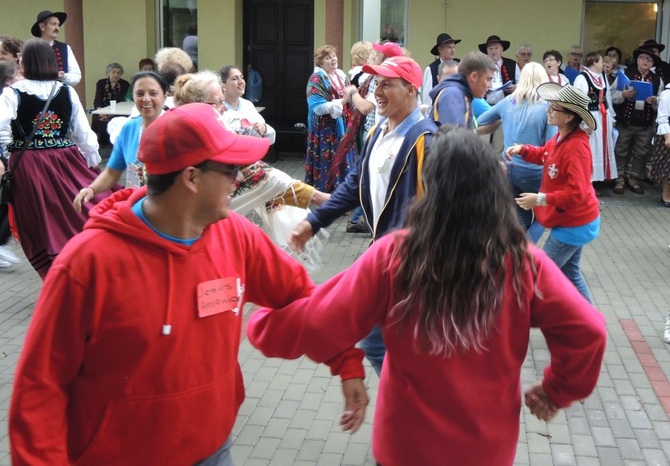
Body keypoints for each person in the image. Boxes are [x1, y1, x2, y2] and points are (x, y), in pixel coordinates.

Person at [10, 102, 367, 465]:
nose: (240, 178)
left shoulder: (237, 236)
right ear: (191, 178)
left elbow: (300, 298)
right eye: (230, 169)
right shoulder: (87, 264)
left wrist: (345, 362)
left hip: (212, 449)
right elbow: (39, 386)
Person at [247, 126, 607, 466]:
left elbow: (320, 320)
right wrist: (556, 391)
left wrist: (264, 324)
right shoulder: (524, 261)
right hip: (487, 447)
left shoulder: (395, 255)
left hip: (406, 443)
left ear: (429, 186)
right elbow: (589, 331)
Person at [289, 56, 437, 375]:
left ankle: (409, 401)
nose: (378, 92)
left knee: (379, 339)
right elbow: (355, 183)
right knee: (379, 340)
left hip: (410, 261)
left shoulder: (426, 140)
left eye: (387, 84)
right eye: (376, 84)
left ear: (411, 90)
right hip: (384, 255)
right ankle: (409, 400)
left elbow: (441, 209)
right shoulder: (380, 131)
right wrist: (314, 222)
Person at [0, 39, 110, 279]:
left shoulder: (12, 92)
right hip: (65, 161)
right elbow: (85, 135)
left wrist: (10, 152)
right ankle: (83, 262)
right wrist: (91, 167)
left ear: (25, 62)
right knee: (75, 212)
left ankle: (55, 274)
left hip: (29, 165)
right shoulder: (66, 91)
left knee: (40, 222)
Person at [509, 83, 600, 303]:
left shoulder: (577, 147)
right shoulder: (562, 136)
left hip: (575, 224)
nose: (548, 111)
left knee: (538, 273)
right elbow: (545, 154)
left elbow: (576, 193)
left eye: (553, 108)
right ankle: (590, 323)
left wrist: (539, 199)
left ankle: (583, 324)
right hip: (571, 221)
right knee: (571, 274)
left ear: (569, 117)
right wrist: (524, 149)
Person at [477, 62, 556, 240]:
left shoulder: (508, 102)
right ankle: (527, 252)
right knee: (545, 216)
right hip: (535, 172)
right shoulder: (547, 107)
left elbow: (481, 119)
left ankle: (515, 254)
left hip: (509, 169)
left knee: (520, 216)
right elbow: (552, 145)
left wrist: (500, 120)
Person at [73, 71, 168, 212]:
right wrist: (91, 190)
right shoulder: (129, 127)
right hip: (136, 204)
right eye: (140, 94)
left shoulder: (174, 127)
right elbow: (112, 171)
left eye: (153, 93)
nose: (146, 99)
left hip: (167, 208)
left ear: (165, 97)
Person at [305, 45, 356, 192]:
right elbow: (317, 106)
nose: (333, 59)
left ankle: (343, 193)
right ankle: (327, 194)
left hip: (342, 125)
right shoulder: (316, 78)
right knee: (328, 160)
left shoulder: (341, 75)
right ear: (321, 62)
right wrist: (342, 102)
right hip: (325, 130)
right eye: (328, 57)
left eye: (334, 56)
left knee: (343, 158)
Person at [613, 48, 662, 195]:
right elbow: (611, 94)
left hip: (645, 124)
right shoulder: (625, 74)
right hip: (626, 122)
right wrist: (623, 94)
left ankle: (633, 179)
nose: (645, 61)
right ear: (638, 60)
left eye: (649, 59)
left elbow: (663, 100)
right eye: (642, 58)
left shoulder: (657, 79)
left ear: (652, 63)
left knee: (641, 152)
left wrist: (655, 101)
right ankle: (619, 179)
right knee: (621, 151)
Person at [574, 52, 617, 182]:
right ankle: (587, 180)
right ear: (594, 62)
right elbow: (579, 102)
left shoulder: (602, 76)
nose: (603, 64)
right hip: (591, 116)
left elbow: (607, 97)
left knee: (602, 146)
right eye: (600, 61)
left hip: (603, 116)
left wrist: (612, 116)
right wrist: (585, 123)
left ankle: (598, 178)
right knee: (591, 147)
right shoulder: (582, 78)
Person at [429, 51, 496, 129]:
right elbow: (453, 139)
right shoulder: (453, 95)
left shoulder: (461, 94)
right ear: (474, 76)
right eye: (488, 79)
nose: (490, 85)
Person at [0, 60, 21, 268]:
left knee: (6, 200)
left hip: (8, 157)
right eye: (18, 74)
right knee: (9, 200)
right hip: (5, 158)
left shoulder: (13, 97)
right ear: (8, 80)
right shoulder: (6, 99)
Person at [220, 65, 276, 143]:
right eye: (235, 78)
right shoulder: (218, 107)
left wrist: (264, 128)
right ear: (223, 85)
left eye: (241, 77)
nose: (241, 82)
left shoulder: (247, 105)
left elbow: (270, 137)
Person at [31, 10, 81, 86]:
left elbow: (76, 76)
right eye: (54, 24)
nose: (57, 28)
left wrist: (63, 76)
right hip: (36, 93)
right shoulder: (31, 48)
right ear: (42, 26)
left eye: (58, 25)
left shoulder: (65, 48)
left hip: (59, 93)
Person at [91, 63, 131, 146]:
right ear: (108, 73)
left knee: (120, 120)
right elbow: (98, 99)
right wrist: (101, 112)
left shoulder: (125, 84)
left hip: (118, 112)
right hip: (102, 111)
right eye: (113, 72)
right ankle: (100, 145)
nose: (116, 75)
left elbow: (122, 101)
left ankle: (115, 144)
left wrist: (110, 115)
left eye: (118, 73)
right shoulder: (101, 83)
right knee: (97, 120)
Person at [421, 33, 461, 106]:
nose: (453, 50)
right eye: (449, 47)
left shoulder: (460, 64)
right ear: (440, 49)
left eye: (454, 47)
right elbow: (428, 99)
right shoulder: (431, 69)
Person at [650, 78, 670, 206]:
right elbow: (662, 118)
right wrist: (668, 136)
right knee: (667, 168)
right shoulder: (667, 93)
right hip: (667, 132)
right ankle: (666, 195)